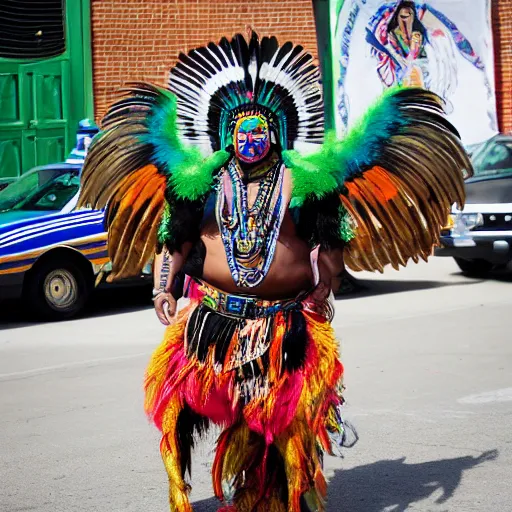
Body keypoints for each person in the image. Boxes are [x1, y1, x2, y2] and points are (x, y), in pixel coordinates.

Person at [78, 31, 471, 512]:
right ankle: (180, 494)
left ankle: (284, 495)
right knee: (177, 410)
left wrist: (326, 284)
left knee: (284, 425)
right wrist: (164, 288)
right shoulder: (199, 183)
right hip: (211, 322)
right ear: (227, 135)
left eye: (258, 131)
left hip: (283, 326)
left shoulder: (305, 183)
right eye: (241, 132)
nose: (249, 139)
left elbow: (330, 243)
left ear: (276, 133)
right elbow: (173, 240)